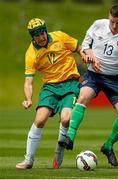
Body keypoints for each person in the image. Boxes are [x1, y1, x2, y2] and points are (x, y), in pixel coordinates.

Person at [64, 4, 118, 167]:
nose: (114, 26)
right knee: (83, 96)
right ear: (108, 17)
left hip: (114, 80)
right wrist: (89, 55)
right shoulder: (98, 25)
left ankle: (108, 146)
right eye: (112, 21)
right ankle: (69, 137)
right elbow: (85, 46)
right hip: (93, 75)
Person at [16, 18, 83, 169]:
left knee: (66, 119)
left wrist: (84, 55)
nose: (41, 37)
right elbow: (28, 81)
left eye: (42, 32)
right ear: (32, 37)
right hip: (50, 87)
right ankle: (28, 161)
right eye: (37, 35)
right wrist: (27, 98)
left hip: (70, 84)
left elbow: (78, 47)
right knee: (40, 120)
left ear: (45, 30)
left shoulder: (60, 36)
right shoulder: (31, 54)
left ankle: (59, 150)